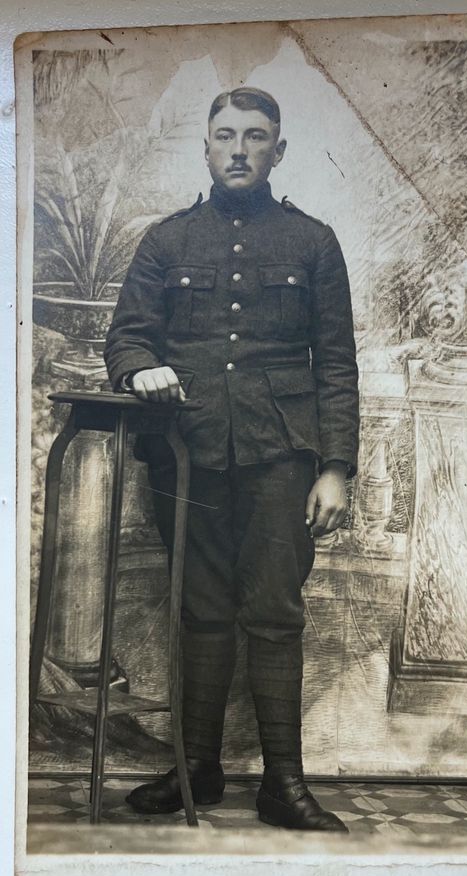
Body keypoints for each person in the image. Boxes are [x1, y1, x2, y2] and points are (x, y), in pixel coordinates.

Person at [104, 87, 359, 832]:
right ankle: (199, 771)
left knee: (274, 613)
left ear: (277, 151)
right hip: (186, 452)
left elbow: (337, 364)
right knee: (201, 610)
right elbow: (126, 337)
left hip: (281, 454)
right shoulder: (167, 240)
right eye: (224, 136)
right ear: (206, 148)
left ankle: (284, 785)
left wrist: (335, 465)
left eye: (254, 137)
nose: (238, 149)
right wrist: (139, 367)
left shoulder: (312, 243)